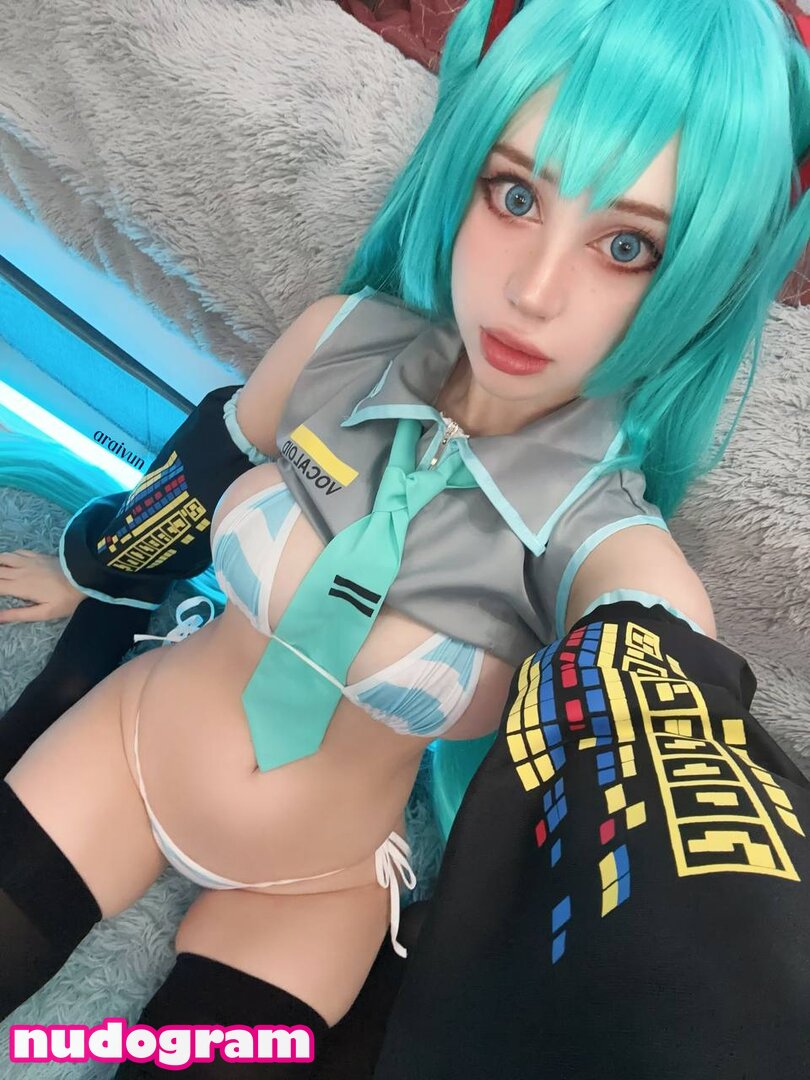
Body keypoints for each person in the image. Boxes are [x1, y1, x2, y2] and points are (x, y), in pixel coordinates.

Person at [0, 0, 808, 1076]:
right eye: (515, 195)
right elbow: (204, 472)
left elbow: (670, 754)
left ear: (701, 281)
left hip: (312, 892)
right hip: (124, 753)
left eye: (627, 246)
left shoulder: (602, 546)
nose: (532, 289)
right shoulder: (337, 345)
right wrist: (90, 568)